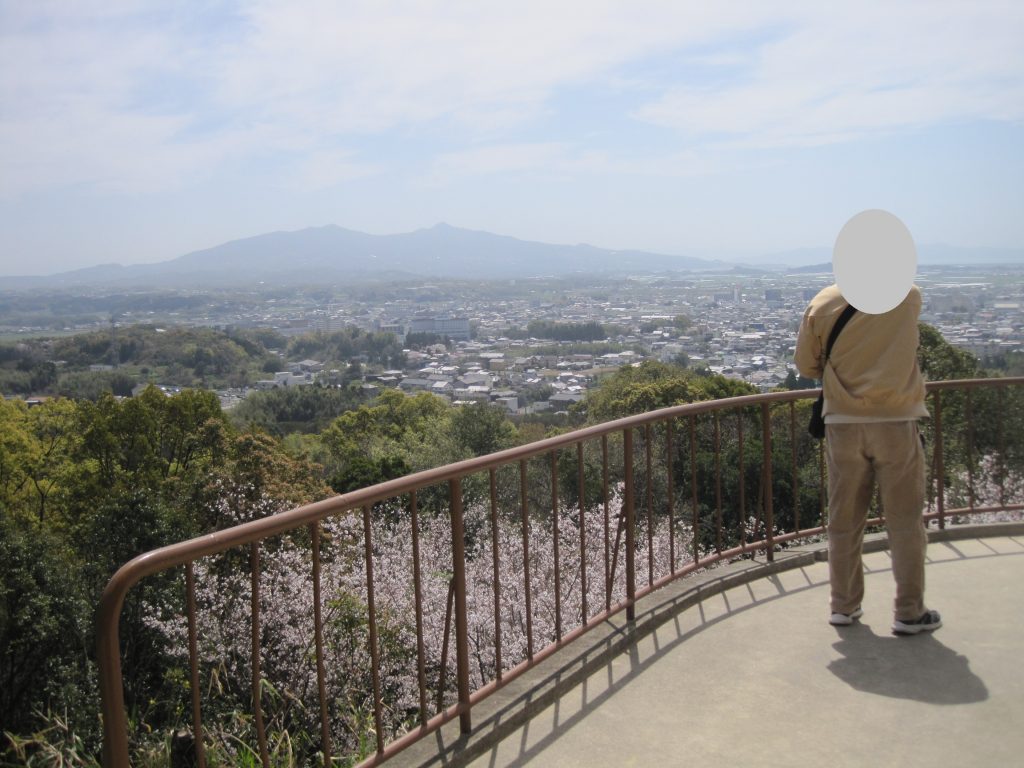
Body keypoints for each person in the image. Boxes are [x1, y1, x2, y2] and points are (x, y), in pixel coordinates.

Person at [795, 211, 940, 636]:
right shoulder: (908, 295)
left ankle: (843, 605)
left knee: (844, 519)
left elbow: (806, 365)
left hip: (843, 423)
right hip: (897, 422)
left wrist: (839, 370)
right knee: (905, 521)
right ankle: (909, 612)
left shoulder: (823, 304)